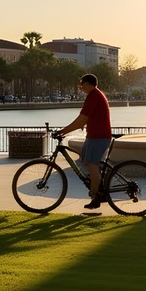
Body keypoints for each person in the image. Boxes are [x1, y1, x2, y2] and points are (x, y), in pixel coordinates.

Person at [56, 74, 112, 210]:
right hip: (95, 136)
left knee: (91, 164)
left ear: (89, 84)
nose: (80, 87)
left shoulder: (93, 96)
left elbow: (82, 119)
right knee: (86, 162)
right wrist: (80, 124)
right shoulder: (96, 95)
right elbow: (85, 119)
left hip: (98, 137)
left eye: (82, 84)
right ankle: (97, 188)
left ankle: (96, 196)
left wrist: (63, 131)